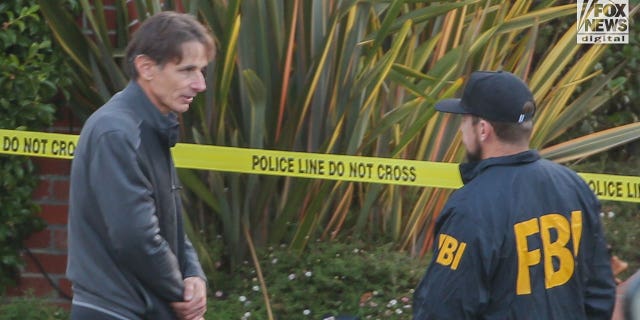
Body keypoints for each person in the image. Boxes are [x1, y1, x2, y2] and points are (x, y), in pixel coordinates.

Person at [413, 71, 616, 319]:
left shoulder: (471, 208)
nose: (462, 132)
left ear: (483, 129)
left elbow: (443, 308)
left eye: (464, 121)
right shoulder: (574, 186)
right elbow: (600, 292)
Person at [67, 11, 215, 320]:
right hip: (115, 311)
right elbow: (135, 237)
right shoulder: (118, 132)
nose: (200, 84)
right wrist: (181, 297)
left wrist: (194, 277)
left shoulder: (151, 125)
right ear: (146, 68)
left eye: (201, 70)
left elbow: (168, 224)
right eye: (187, 70)